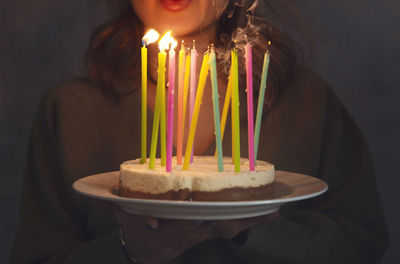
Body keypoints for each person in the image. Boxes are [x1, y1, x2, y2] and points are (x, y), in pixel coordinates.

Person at [11, 0, 388, 263]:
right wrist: (130, 250)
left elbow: (360, 245)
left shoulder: (306, 101)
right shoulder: (71, 111)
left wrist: (255, 231)